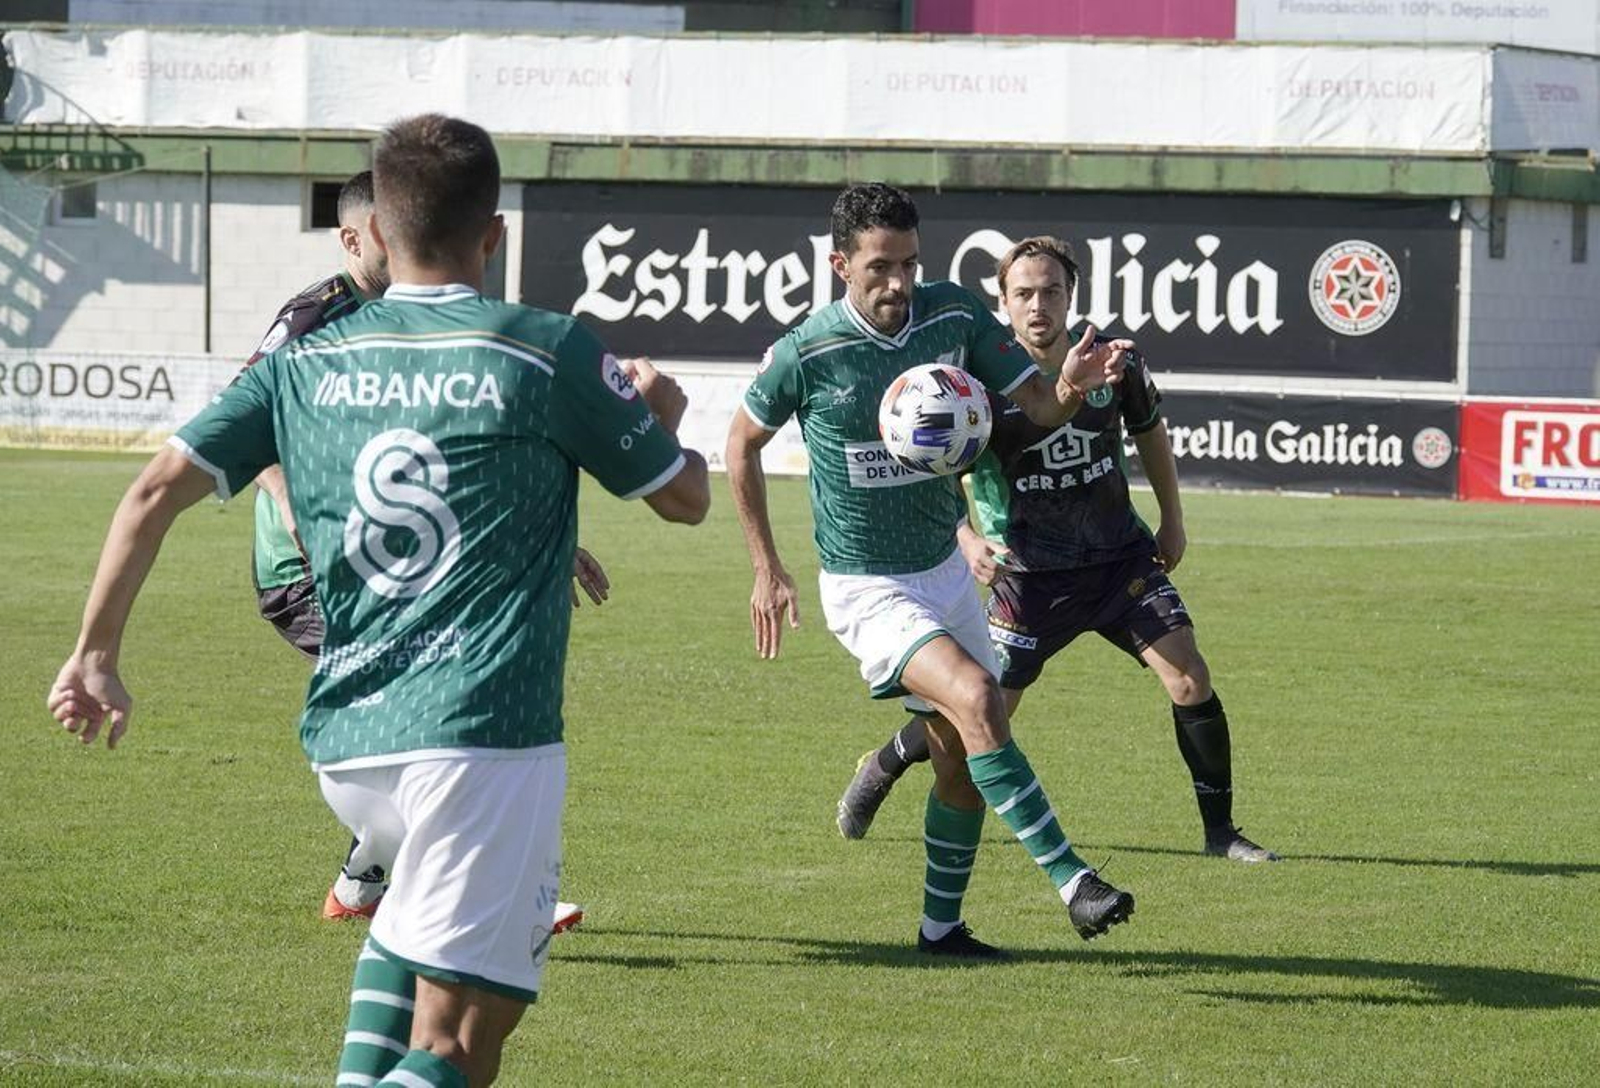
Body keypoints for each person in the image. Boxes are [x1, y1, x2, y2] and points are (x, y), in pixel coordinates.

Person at [48, 113, 710, 1087]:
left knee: (400, 936)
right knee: (460, 1045)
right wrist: (661, 417)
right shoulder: (543, 349)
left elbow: (152, 491)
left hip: (351, 745)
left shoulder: (300, 363)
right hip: (481, 739)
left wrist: (95, 653)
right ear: (494, 234)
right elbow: (684, 498)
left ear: (381, 234)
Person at [726, 183, 1137, 960]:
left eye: (910, 264)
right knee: (979, 697)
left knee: (960, 758)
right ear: (840, 265)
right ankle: (1073, 882)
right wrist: (766, 567)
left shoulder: (952, 316)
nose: (899, 283)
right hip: (867, 585)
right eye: (880, 267)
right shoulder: (806, 352)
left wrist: (1071, 386)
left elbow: (1041, 408)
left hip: (945, 573)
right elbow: (739, 444)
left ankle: (941, 931)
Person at [835, 235, 1278, 865]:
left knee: (1189, 677)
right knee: (976, 717)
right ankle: (886, 761)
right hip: (1028, 578)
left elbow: (1150, 431)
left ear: (1071, 296)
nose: (1038, 305)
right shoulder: (976, 383)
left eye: (1051, 291)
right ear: (1003, 301)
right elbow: (934, 467)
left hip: (1118, 561)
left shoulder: (1115, 362)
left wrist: (1173, 520)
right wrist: (967, 537)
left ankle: (1221, 833)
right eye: (1023, 294)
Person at [244, 170, 588, 930]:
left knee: (434, 711)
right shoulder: (317, 318)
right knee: (441, 704)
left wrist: (547, 535)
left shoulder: (414, 324)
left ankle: (366, 879)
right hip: (313, 574)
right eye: (390, 236)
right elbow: (242, 412)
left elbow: (454, 457)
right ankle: (493, 890)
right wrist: (292, 502)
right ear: (355, 238)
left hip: (396, 567)